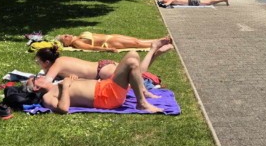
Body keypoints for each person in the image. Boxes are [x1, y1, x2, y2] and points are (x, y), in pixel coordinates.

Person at [31, 41, 169, 114]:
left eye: (38, 63)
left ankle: (143, 94)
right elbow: (63, 108)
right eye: (36, 78)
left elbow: (50, 80)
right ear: (37, 87)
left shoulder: (56, 73)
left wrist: (71, 81)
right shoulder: (47, 96)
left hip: (103, 81)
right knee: (132, 61)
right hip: (104, 94)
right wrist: (67, 85)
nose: (39, 75)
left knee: (133, 58)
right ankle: (142, 102)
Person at [56, 32, 167, 52]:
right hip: (110, 42)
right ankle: (161, 43)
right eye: (65, 36)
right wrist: (107, 49)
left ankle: (161, 40)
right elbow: (91, 48)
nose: (67, 35)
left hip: (111, 37)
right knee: (137, 44)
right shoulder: (77, 43)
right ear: (66, 43)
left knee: (136, 40)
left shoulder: (78, 37)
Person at [157, 0, 229, 7]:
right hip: (191, 0)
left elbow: (167, 4)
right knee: (209, 2)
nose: (164, 1)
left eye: (164, 0)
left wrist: (161, 4)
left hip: (192, 1)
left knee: (208, 3)